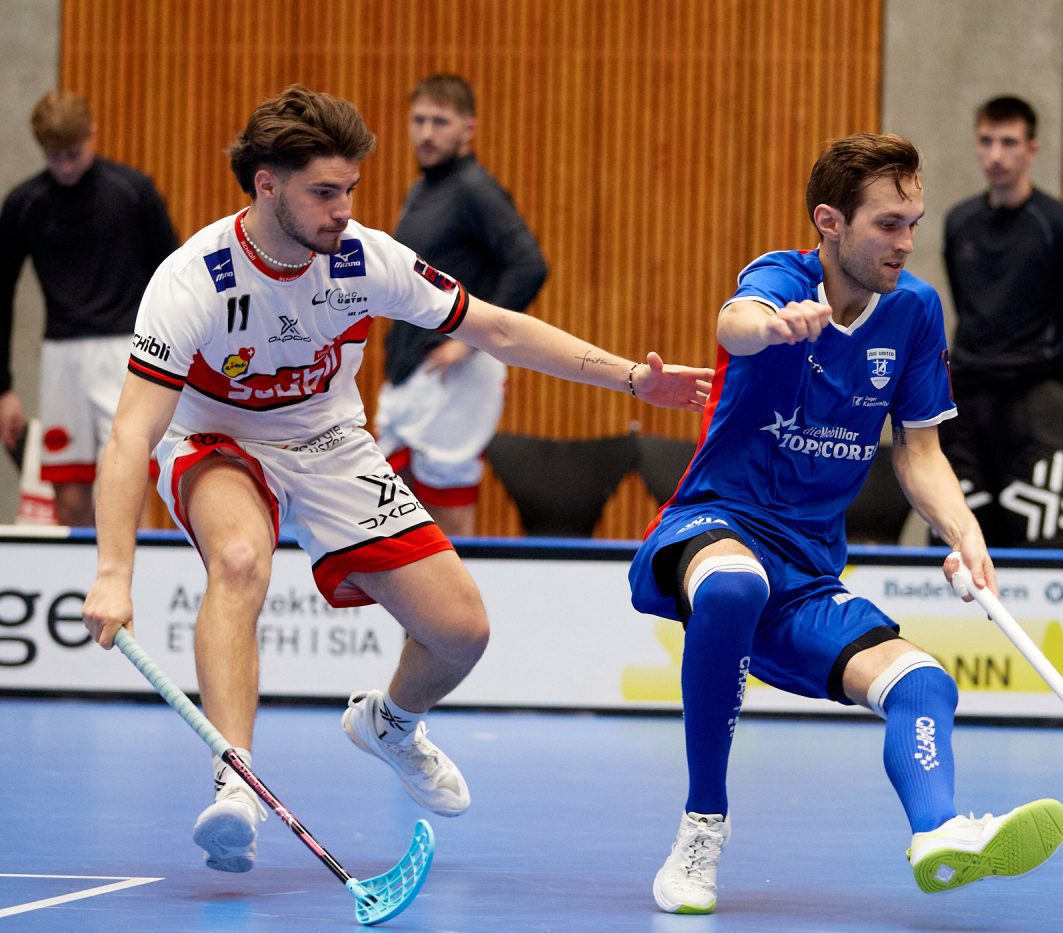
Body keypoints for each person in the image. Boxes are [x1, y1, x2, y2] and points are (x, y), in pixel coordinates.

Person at [80, 85, 711, 875]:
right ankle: (235, 782)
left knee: (461, 630)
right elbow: (130, 433)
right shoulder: (194, 281)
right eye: (323, 192)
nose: (343, 210)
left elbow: (499, 328)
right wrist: (113, 572)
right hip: (217, 439)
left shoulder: (363, 259)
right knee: (239, 559)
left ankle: (391, 723)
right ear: (266, 185)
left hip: (330, 442)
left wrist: (633, 379)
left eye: (349, 189)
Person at [627, 132, 1063, 915]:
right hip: (715, 523)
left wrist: (963, 530)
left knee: (924, 683)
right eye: (887, 224)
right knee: (734, 585)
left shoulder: (915, 311)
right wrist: (773, 326)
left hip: (806, 572)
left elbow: (919, 451)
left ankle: (937, 832)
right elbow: (734, 321)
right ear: (830, 222)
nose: (906, 241)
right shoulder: (782, 279)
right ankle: (701, 829)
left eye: (913, 223)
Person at [375, 74, 547, 537]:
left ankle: (459, 589)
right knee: (393, 514)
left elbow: (529, 265)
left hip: (456, 373)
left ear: (468, 128)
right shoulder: (423, 190)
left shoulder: (475, 189)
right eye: (419, 120)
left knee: (445, 517)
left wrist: (471, 342)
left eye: (440, 122)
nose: (427, 133)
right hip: (416, 371)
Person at [0, 90, 178, 526]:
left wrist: (177, 368)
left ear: (93, 135)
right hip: (62, 357)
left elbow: (174, 279)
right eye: (54, 157)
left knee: (128, 484)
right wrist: (3, 388)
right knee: (70, 496)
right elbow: (2, 293)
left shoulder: (133, 192)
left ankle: (130, 568)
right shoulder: (24, 204)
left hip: (127, 354)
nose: (64, 167)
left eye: (73, 155)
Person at [941, 95, 1063, 547]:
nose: (996, 155)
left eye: (1009, 142)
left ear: (1032, 149)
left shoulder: (1061, 225)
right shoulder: (960, 222)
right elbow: (965, 303)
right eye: (986, 141)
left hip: (1039, 400)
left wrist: (1056, 377)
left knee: (1056, 539)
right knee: (960, 539)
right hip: (969, 401)